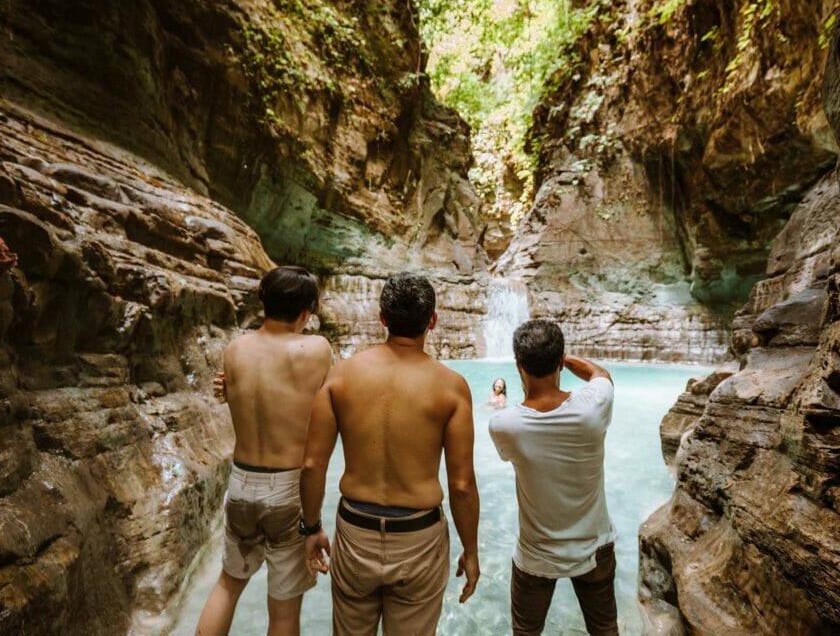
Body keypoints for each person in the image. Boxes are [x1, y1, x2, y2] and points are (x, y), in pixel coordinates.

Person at [299, 272, 481, 635]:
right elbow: (461, 485)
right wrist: (471, 549)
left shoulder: (340, 376)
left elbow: (312, 464)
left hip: (355, 532)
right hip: (418, 538)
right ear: (432, 320)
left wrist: (312, 527)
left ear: (382, 318)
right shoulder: (451, 387)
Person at [196, 266, 333, 636]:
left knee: (227, 586)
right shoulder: (316, 349)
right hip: (286, 490)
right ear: (305, 311)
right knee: (284, 612)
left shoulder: (235, 349)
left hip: (241, 484)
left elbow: (253, 399)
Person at [489, 320, 617, 636]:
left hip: (536, 555)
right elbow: (601, 374)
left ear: (518, 365)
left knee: (526, 631)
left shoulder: (505, 425)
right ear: (560, 361)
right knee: (604, 629)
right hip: (594, 549)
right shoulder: (593, 408)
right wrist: (563, 358)